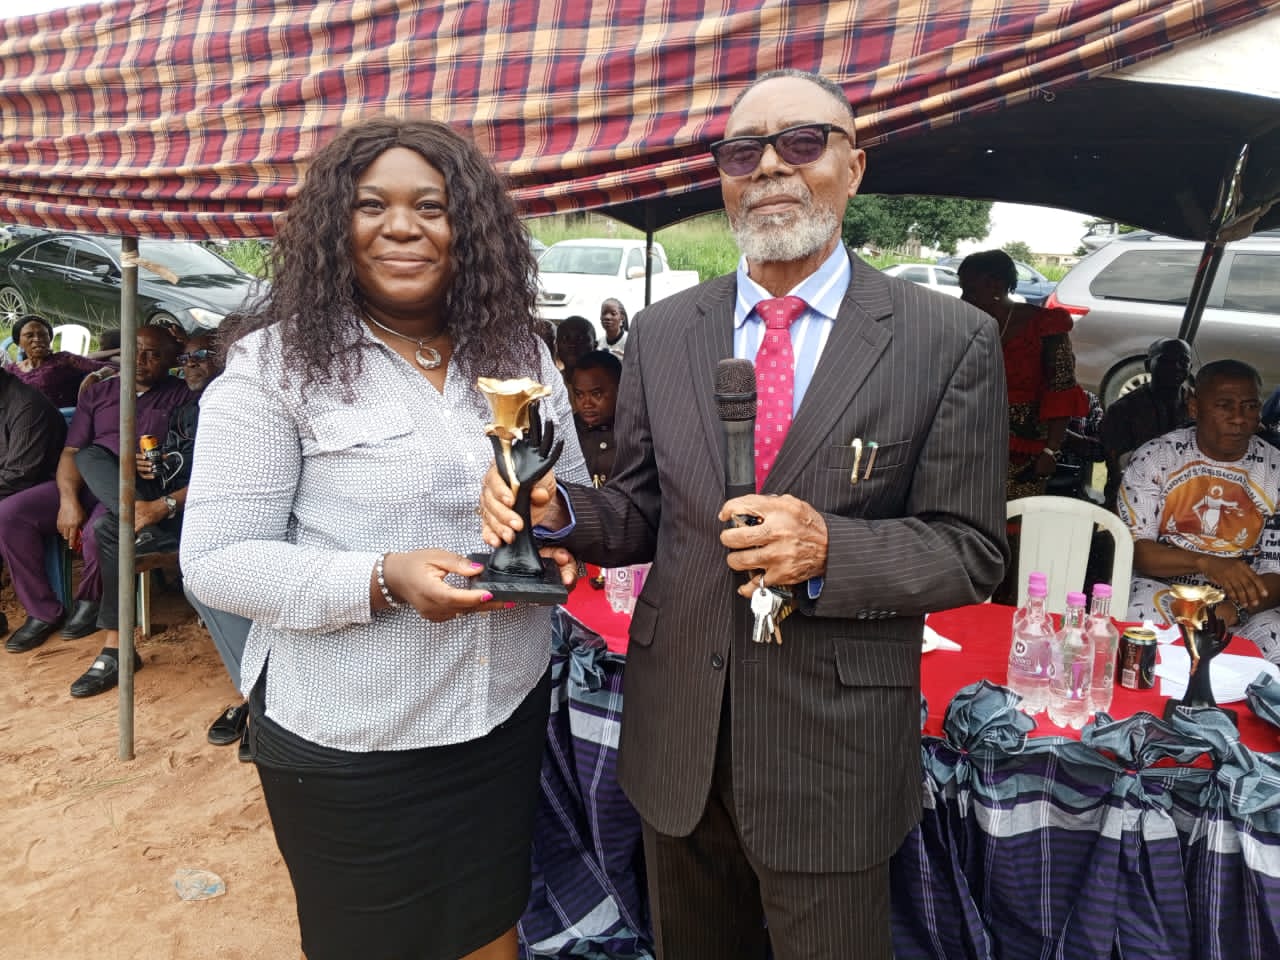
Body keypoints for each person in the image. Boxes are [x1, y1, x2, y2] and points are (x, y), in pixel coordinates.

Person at [481, 69, 1008, 959]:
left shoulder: (945, 338)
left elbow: (971, 550)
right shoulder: (662, 332)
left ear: (853, 167)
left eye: (801, 143)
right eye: (741, 152)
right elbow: (643, 510)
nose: (768, 167)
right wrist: (560, 508)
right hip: (680, 731)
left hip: (833, 748)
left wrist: (830, 548)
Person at [179, 117, 587, 960]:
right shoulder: (275, 367)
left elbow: (571, 495)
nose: (403, 226)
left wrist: (557, 530)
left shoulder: (522, 354)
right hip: (352, 735)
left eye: (431, 207)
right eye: (373, 206)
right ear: (336, 226)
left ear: (469, 229)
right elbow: (215, 559)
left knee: (492, 925)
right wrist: (383, 578)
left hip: (501, 714)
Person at [0, 326, 187, 653]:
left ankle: (91, 600)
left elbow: (184, 454)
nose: (140, 360)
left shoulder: (183, 396)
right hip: (85, 478)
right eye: (134, 350)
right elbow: (72, 452)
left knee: (100, 530)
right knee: (10, 514)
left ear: (172, 360)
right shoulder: (99, 393)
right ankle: (42, 611)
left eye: (153, 354)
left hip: (136, 486)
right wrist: (68, 500)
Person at [68, 335, 221, 698]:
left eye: (201, 355)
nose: (191, 363)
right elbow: (179, 460)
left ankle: (115, 648)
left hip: (204, 510)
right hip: (165, 500)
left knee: (113, 527)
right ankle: (116, 648)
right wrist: (155, 466)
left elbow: (224, 477)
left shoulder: (226, 404)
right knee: (93, 468)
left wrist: (163, 505)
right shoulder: (187, 406)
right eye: (186, 358)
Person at [1119, 359, 1280, 663]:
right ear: (1194, 407)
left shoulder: (1275, 470)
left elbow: (1277, 573)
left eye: (1249, 406)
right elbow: (1137, 550)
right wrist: (1206, 563)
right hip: (1163, 588)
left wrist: (1234, 609)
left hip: (1243, 604)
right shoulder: (1156, 457)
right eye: (1224, 405)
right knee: (1140, 628)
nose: (1238, 418)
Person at [958, 250, 1088, 500]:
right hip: (970, 443)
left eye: (971, 291)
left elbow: (1061, 388)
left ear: (997, 285)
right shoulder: (965, 324)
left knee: (1013, 515)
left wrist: (1050, 451)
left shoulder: (1044, 324)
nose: (964, 298)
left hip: (1025, 452)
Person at [0, 364, 68, 638]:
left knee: (7, 515)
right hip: (12, 484)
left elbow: (21, 473)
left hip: (53, 486)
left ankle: (44, 611)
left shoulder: (25, 404)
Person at [1099, 337, 1193, 508]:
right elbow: (1117, 467)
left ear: (1190, 367)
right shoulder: (1123, 409)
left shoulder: (1199, 406)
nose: (1176, 366)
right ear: (1148, 365)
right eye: (1166, 360)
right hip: (1136, 497)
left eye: (1183, 361)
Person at [9, 314, 112, 408]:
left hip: (58, 418)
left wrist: (96, 376)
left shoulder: (64, 359)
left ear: (49, 339)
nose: (37, 339)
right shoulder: (11, 369)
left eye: (43, 335)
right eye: (29, 336)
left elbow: (111, 367)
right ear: (19, 342)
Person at [570, 349, 622, 486]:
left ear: (620, 388)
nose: (587, 404)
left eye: (596, 394)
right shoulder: (567, 431)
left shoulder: (634, 431)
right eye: (579, 394)